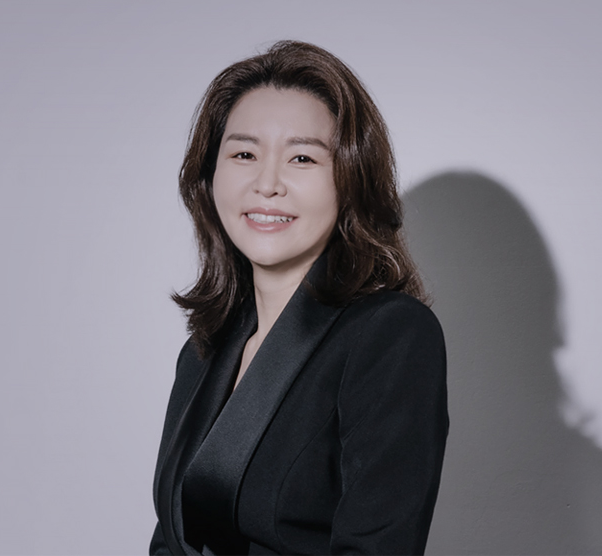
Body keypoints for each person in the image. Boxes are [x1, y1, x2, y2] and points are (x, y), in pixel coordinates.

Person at [150, 40, 448, 555]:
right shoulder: (204, 351)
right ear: (210, 176)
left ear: (351, 180)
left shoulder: (390, 335)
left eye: (302, 158)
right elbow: (173, 540)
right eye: (244, 154)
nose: (267, 184)